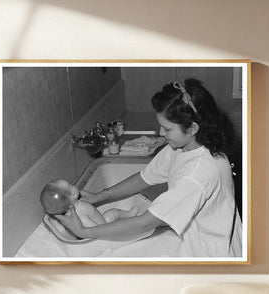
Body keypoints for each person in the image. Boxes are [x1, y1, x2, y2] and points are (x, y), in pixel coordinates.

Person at [55, 79, 242, 257]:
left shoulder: (198, 173)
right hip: (195, 238)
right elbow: (145, 177)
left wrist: (84, 231)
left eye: (167, 129)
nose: (161, 133)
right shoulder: (183, 147)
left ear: (192, 129)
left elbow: (145, 224)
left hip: (211, 254)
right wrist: (100, 196)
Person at [40, 179, 139, 228]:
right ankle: (128, 218)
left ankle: (129, 214)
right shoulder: (80, 217)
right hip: (102, 227)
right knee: (114, 214)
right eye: (71, 185)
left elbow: (86, 199)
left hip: (102, 220)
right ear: (74, 194)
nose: (74, 185)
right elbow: (93, 231)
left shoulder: (75, 203)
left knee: (114, 212)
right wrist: (108, 230)